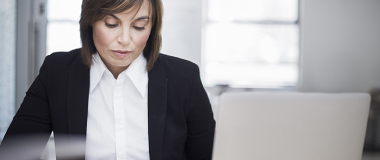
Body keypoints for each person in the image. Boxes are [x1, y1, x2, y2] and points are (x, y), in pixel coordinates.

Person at [0, 0, 215, 159]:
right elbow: (14, 153)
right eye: (111, 24)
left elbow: (211, 155)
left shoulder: (185, 78)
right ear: (90, 21)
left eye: (139, 26)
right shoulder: (57, 72)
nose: (124, 39)